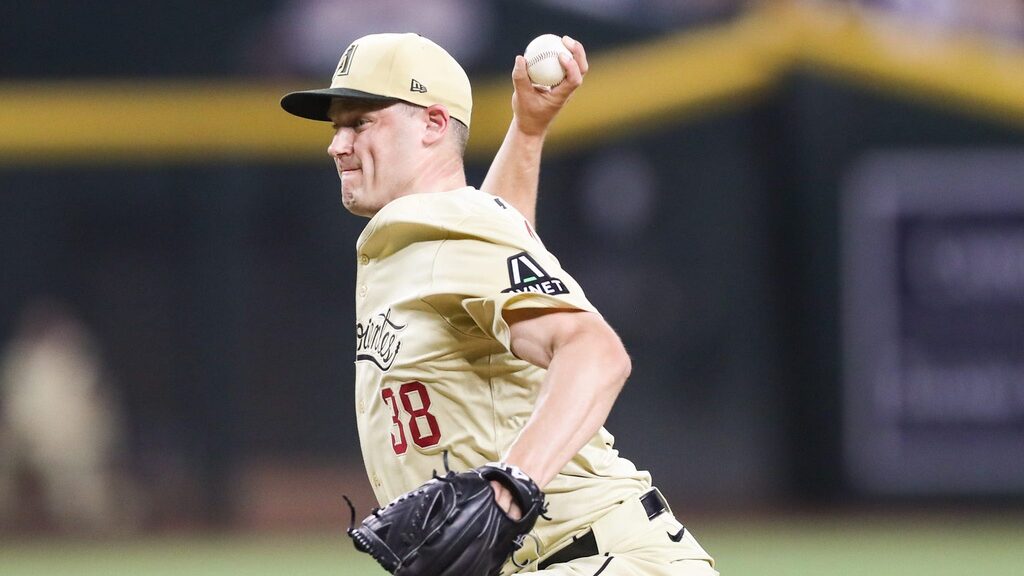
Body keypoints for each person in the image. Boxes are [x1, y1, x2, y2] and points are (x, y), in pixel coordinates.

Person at [280, 33, 716, 575]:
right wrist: (528, 132)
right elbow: (497, 246)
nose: (337, 144)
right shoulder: (441, 236)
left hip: (595, 557)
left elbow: (597, 353)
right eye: (336, 127)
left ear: (434, 125)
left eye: (360, 123)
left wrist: (511, 488)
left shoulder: (448, 231)